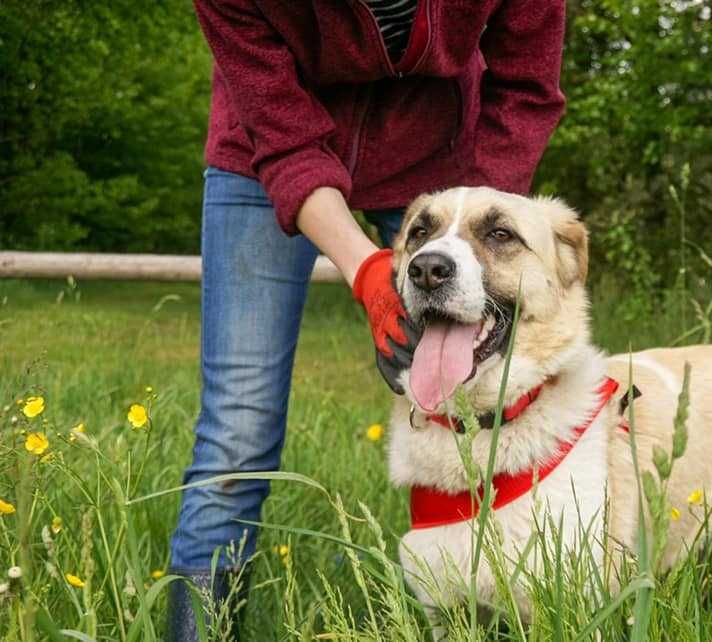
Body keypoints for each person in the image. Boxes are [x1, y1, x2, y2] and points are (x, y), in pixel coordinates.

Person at [167, 1, 565, 639]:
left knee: (487, 403)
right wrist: (367, 272)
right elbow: (288, 139)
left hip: (439, 160)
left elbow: (527, 88)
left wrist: (472, 234)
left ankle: (498, 606)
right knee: (236, 429)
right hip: (265, 152)